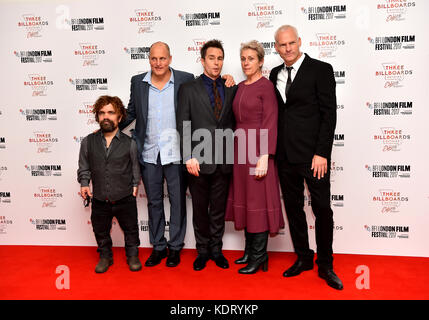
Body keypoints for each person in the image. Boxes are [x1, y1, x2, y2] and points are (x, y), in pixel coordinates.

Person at [269, 25, 343, 290]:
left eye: (291, 43)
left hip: (314, 157)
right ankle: (303, 257)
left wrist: (322, 152)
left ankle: (326, 265)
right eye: (281, 45)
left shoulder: (321, 69)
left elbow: (329, 114)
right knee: (293, 209)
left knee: (322, 209)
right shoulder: (275, 74)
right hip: (285, 156)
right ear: (276, 47)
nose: (287, 48)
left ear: (299, 42)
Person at [119, 42, 194, 268]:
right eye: (154, 59)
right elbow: (131, 112)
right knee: (153, 202)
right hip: (149, 152)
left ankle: (175, 248)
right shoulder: (137, 82)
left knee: (178, 202)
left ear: (170, 59)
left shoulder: (186, 79)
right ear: (149, 60)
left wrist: (227, 79)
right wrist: (110, 125)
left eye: (162, 58)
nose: (158, 63)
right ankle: (158, 247)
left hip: (176, 152)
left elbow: (202, 95)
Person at [177, 40, 237, 271]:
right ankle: (202, 251)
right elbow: (183, 123)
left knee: (218, 210)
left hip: (223, 160)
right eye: (211, 58)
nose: (216, 62)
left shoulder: (231, 86)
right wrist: (188, 156)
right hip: (198, 161)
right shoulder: (188, 89)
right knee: (200, 209)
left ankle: (216, 250)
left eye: (220, 58)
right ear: (202, 61)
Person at [225, 41, 284, 274]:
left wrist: (264, 156)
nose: (246, 63)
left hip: (258, 151)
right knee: (248, 200)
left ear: (261, 61)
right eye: (243, 58)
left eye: (251, 58)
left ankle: (258, 256)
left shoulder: (266, 87)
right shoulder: (239, 86)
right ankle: (251, 252)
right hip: (240, 150)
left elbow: (271, 122)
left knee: (257, 201)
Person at [77, 95, 142, 273]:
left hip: (125, 197)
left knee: (131, 229)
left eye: (111, 112)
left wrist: (135, 185)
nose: (106, 116)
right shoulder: (88, 142)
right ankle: (105, 256)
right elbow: (84, 166)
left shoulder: (130, 144)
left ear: (119, 117)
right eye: (102, 113)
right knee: (100, 230)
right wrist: (84, 183)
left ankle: (132, 255)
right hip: (99, 198)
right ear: (97, 116)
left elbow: (135, 166)